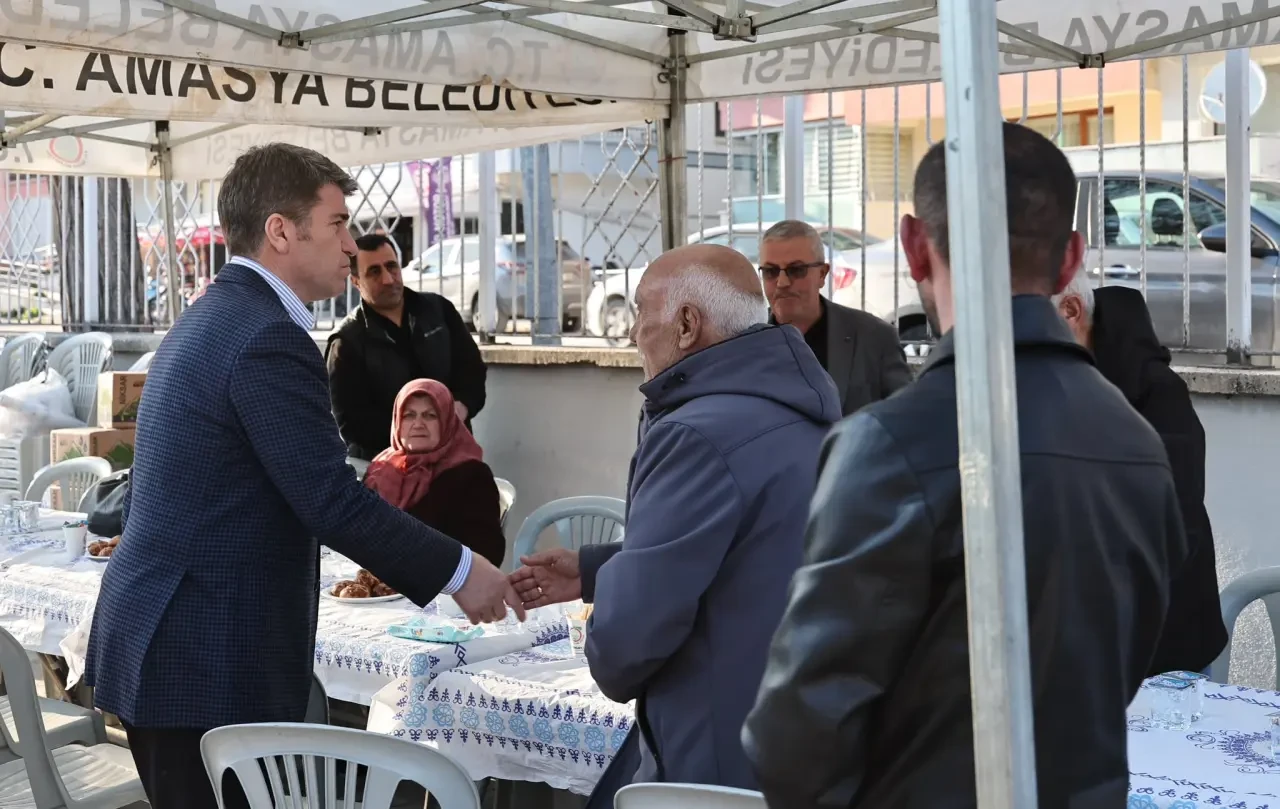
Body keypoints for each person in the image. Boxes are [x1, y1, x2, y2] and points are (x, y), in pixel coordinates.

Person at [743, 123, 1188, 809]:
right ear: (1071, 258)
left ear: (914, 247)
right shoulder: (1138, 444)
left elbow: (795, 739)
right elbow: (1123, 665)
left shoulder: (885, 446)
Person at [83, 143, 523, 809]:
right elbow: (330, 501)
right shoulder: (266, 335)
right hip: (201, 657)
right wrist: (463, 572)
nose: (350, 244)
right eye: (337, 223)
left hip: (177, 642)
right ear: (281, 231)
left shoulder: (218, 313)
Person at [510, 244, 840, 794]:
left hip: (713, 753)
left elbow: (625, 643)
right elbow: (748, 550)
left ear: (687, 324)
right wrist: (595, 569)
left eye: (641, 311)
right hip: (794, 730)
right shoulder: (799, 409)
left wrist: (607, 618)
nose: (632, 332)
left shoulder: (695, 434)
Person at [1056, 277, 1227, 676]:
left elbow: (1166, 522)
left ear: (1072, 311)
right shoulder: (1060, 383)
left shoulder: (1158, 394)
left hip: (1167, 653)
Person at [326, 233, 487, 460]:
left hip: (454, 459)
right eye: (374, 272)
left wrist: (461, 407)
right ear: (355, 281)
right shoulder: (346, 342)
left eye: (392, 267)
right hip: (387, 468)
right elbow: (351, 423)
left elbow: (473, 373)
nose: (388, 279)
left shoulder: (439, 312)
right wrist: (416, 434)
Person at [761, 220, 912, 415]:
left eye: (797, 270)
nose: (782, 282)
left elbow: (905, 417)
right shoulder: (744, 343)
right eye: (771, 271)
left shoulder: (875, 338)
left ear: (822, 274)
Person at [365, 378, 506, 568]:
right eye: (409, 415)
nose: (418, 424)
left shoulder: (471, 474)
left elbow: (487, 552)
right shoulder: (380, 468)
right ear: (397, 421)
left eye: (430, 415)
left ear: (447, 421)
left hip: (437, 581)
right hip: (373, 578)